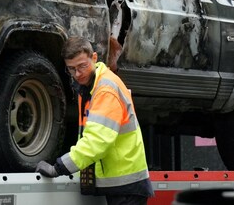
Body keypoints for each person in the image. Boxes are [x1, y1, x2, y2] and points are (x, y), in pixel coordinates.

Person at [36, 36, 154, 205]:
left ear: (94, 58)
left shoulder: (105, 89)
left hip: (125, 185)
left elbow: (96, 141)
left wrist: (59, 167)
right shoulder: (91, 86)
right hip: (121, 182)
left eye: (82, 66)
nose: (77, 74)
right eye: (71, 69)